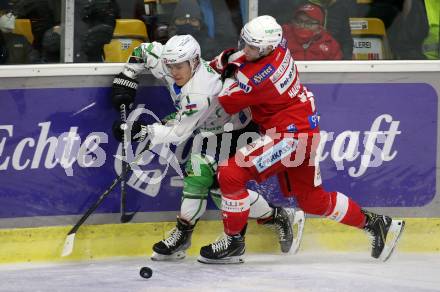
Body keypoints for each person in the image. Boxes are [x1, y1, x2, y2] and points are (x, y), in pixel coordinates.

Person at [201, 15, 405, 264]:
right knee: (312, 200)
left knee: (231, 174)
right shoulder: (279, 46)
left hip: (290, 135)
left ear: (268, 48)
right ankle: (377, 224)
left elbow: (223, 99)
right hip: (303, 130)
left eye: (253, 46)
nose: (247, 49)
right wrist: (230, 59)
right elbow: (240, 59)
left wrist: (221, 65)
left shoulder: (257, 78)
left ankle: (233, 241)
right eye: (246, 43)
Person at [110, 34, 305, 261]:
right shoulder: (165, 60)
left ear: (194, 61)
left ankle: (277, 216)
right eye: (170, 66)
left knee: (224, 191)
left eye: (180, 67)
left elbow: (178, 133)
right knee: (197, 176)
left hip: (237, 130)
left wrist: (143, 132)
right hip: (209, 128)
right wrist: (127, 77)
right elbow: (142, 51)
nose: (174, 72)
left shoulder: (201, 92)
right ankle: (184, 234)